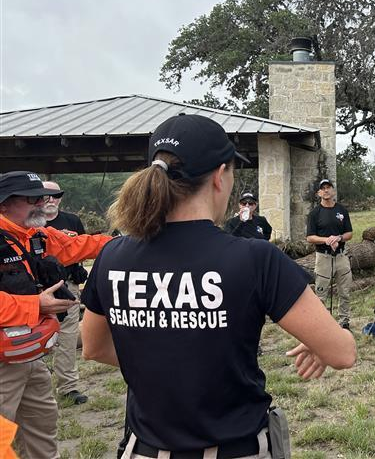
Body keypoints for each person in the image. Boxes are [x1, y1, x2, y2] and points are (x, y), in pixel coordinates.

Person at [80, 114, 356, 459]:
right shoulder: (255, 259)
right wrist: (321, 341)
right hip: (235, 449)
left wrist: (163, 361)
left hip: (144, 450)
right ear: (219, 176)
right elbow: (342, 353)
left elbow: (92, 346)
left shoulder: (112, 256)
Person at [0, 171, 111, 459]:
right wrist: (36, 305)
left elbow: (78, 245)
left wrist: (125, 243)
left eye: (43, 197)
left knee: (42, 428)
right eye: (32, 198)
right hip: (2, 364)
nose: (41, 203)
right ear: (4, 204)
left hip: (30, 358)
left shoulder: (36, 235)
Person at [42, 181, 91, 406]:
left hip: (66, 286)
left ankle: (68, 386)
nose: (51, 200)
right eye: (46, 195)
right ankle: (37, 388)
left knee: (68, 336)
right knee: (35, 338)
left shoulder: (72, 220)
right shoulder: (27, 223)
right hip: (36, 289)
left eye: (55, 195)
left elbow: (83, 246)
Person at [306, 179, 354, 330]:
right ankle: (322, 325)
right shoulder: (314, 213)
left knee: (344, 291)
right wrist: (326, 240)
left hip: (341, 256)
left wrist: (339, 238)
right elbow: (310, 237)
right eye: (323, 189)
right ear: (318, 193)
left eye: (328, 188)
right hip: (323, 257)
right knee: (321, 294)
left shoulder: (341, 210)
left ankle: (344, 322)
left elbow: (349, 233)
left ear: (333, 191)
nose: (326, 190)